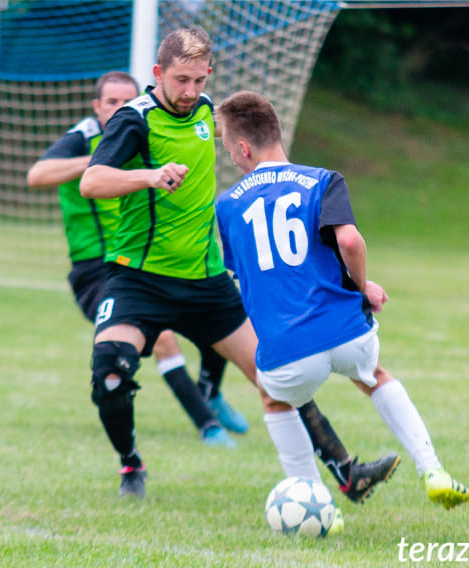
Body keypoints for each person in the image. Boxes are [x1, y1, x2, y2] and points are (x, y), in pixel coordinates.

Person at [79, 27, 398, 500]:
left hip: (207, 281)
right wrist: (149, 176)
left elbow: (260, 151)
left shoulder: (210, 112)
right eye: (180, 80)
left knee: (277, 376)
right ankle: (131, 467)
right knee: (110, 371)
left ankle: (347, 474)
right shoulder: (135, 119)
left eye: (199, 80)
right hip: (139, 279)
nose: (190, 92)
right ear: (157, 74)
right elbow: (92, 181)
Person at [214, 90, 469, 510]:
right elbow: (348, 239)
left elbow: (246, 273)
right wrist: (362, 287)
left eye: (229, 150)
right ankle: (433, 470)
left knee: (274, 398)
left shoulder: (226, 205)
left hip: (285, 348)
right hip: (344, 329)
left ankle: (314, 500)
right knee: (374, 377)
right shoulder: (322, 180)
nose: (232, 158)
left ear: (243, 147)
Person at [26, 71, 245, 448]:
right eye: (111, 102)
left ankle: (210, 391)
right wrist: (99, 160)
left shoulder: (151, 128)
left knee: (217, 308)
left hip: (150, 262)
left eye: (125, 101)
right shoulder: (85, 136)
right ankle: (206, 425)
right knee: (162, 340)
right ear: (97, 107)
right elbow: (37, 175)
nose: (119, 108)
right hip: (99, 269)